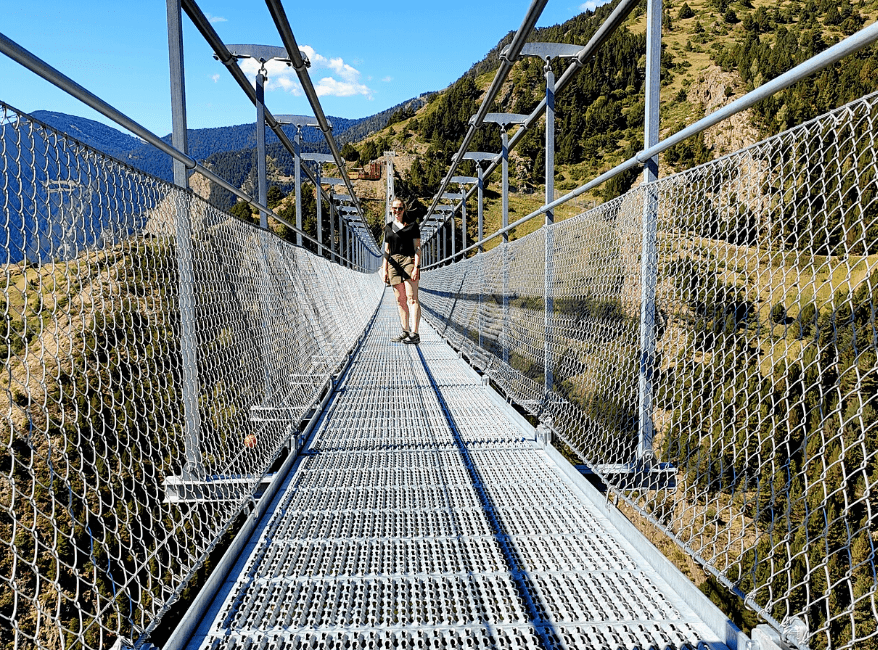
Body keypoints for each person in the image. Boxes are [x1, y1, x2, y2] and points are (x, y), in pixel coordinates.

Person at [380, 198, 421, 344]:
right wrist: (384, 270)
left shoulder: (412, 226)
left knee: (412, 297)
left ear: (404, 209)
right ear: (391, 209)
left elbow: (417, 248)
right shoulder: (388, 228)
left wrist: (417, 266)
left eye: (400, 208)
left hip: (408, 260)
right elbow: (386, 251)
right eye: (395, 209)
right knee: (400, 299)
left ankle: (415, 334)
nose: (397, 211)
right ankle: (405, 331)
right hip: (393, 263)